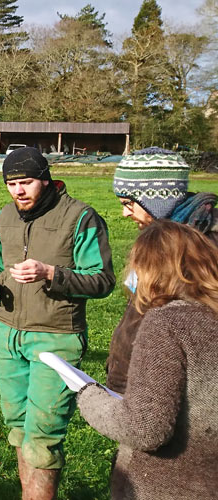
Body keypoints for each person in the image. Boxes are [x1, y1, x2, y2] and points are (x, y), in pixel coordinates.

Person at [0, 147, 114, 499]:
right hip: (8, 334)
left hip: (56, 339)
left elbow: (102, 280)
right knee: (19, 429)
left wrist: (51, 273)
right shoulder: (3, 217)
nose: (18, 191)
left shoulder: (80, 217)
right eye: (11, 184)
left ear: (46, 179)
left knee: (43, 435)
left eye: (26, 182)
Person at [77, 220, 218, 499]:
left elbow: (145, 429)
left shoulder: (168, 323)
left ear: (147, 269)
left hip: (167, 485)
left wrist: (88, 396)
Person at [106, 150, 217, 393]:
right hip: (142, 378)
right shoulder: (158, 242)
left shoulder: (203, 247)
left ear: (157, 200)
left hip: (175, 389)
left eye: (128, 203)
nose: (124, 213)